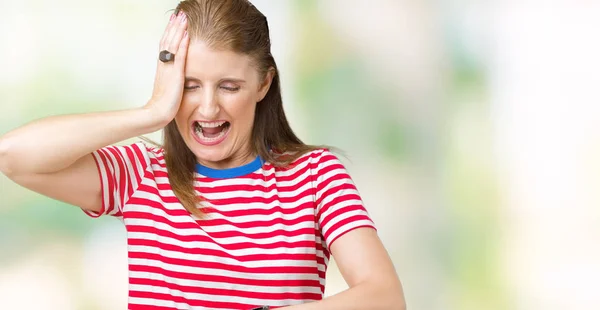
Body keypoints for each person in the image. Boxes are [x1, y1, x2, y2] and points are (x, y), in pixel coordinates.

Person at [0, 0, 406, 309]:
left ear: (264, 84)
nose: (208, 109)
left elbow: (385, 295)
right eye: (190, 86)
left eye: (229, 86)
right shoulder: (140, 175)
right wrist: (151, 113)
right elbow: (14, 156)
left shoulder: (315, 176)